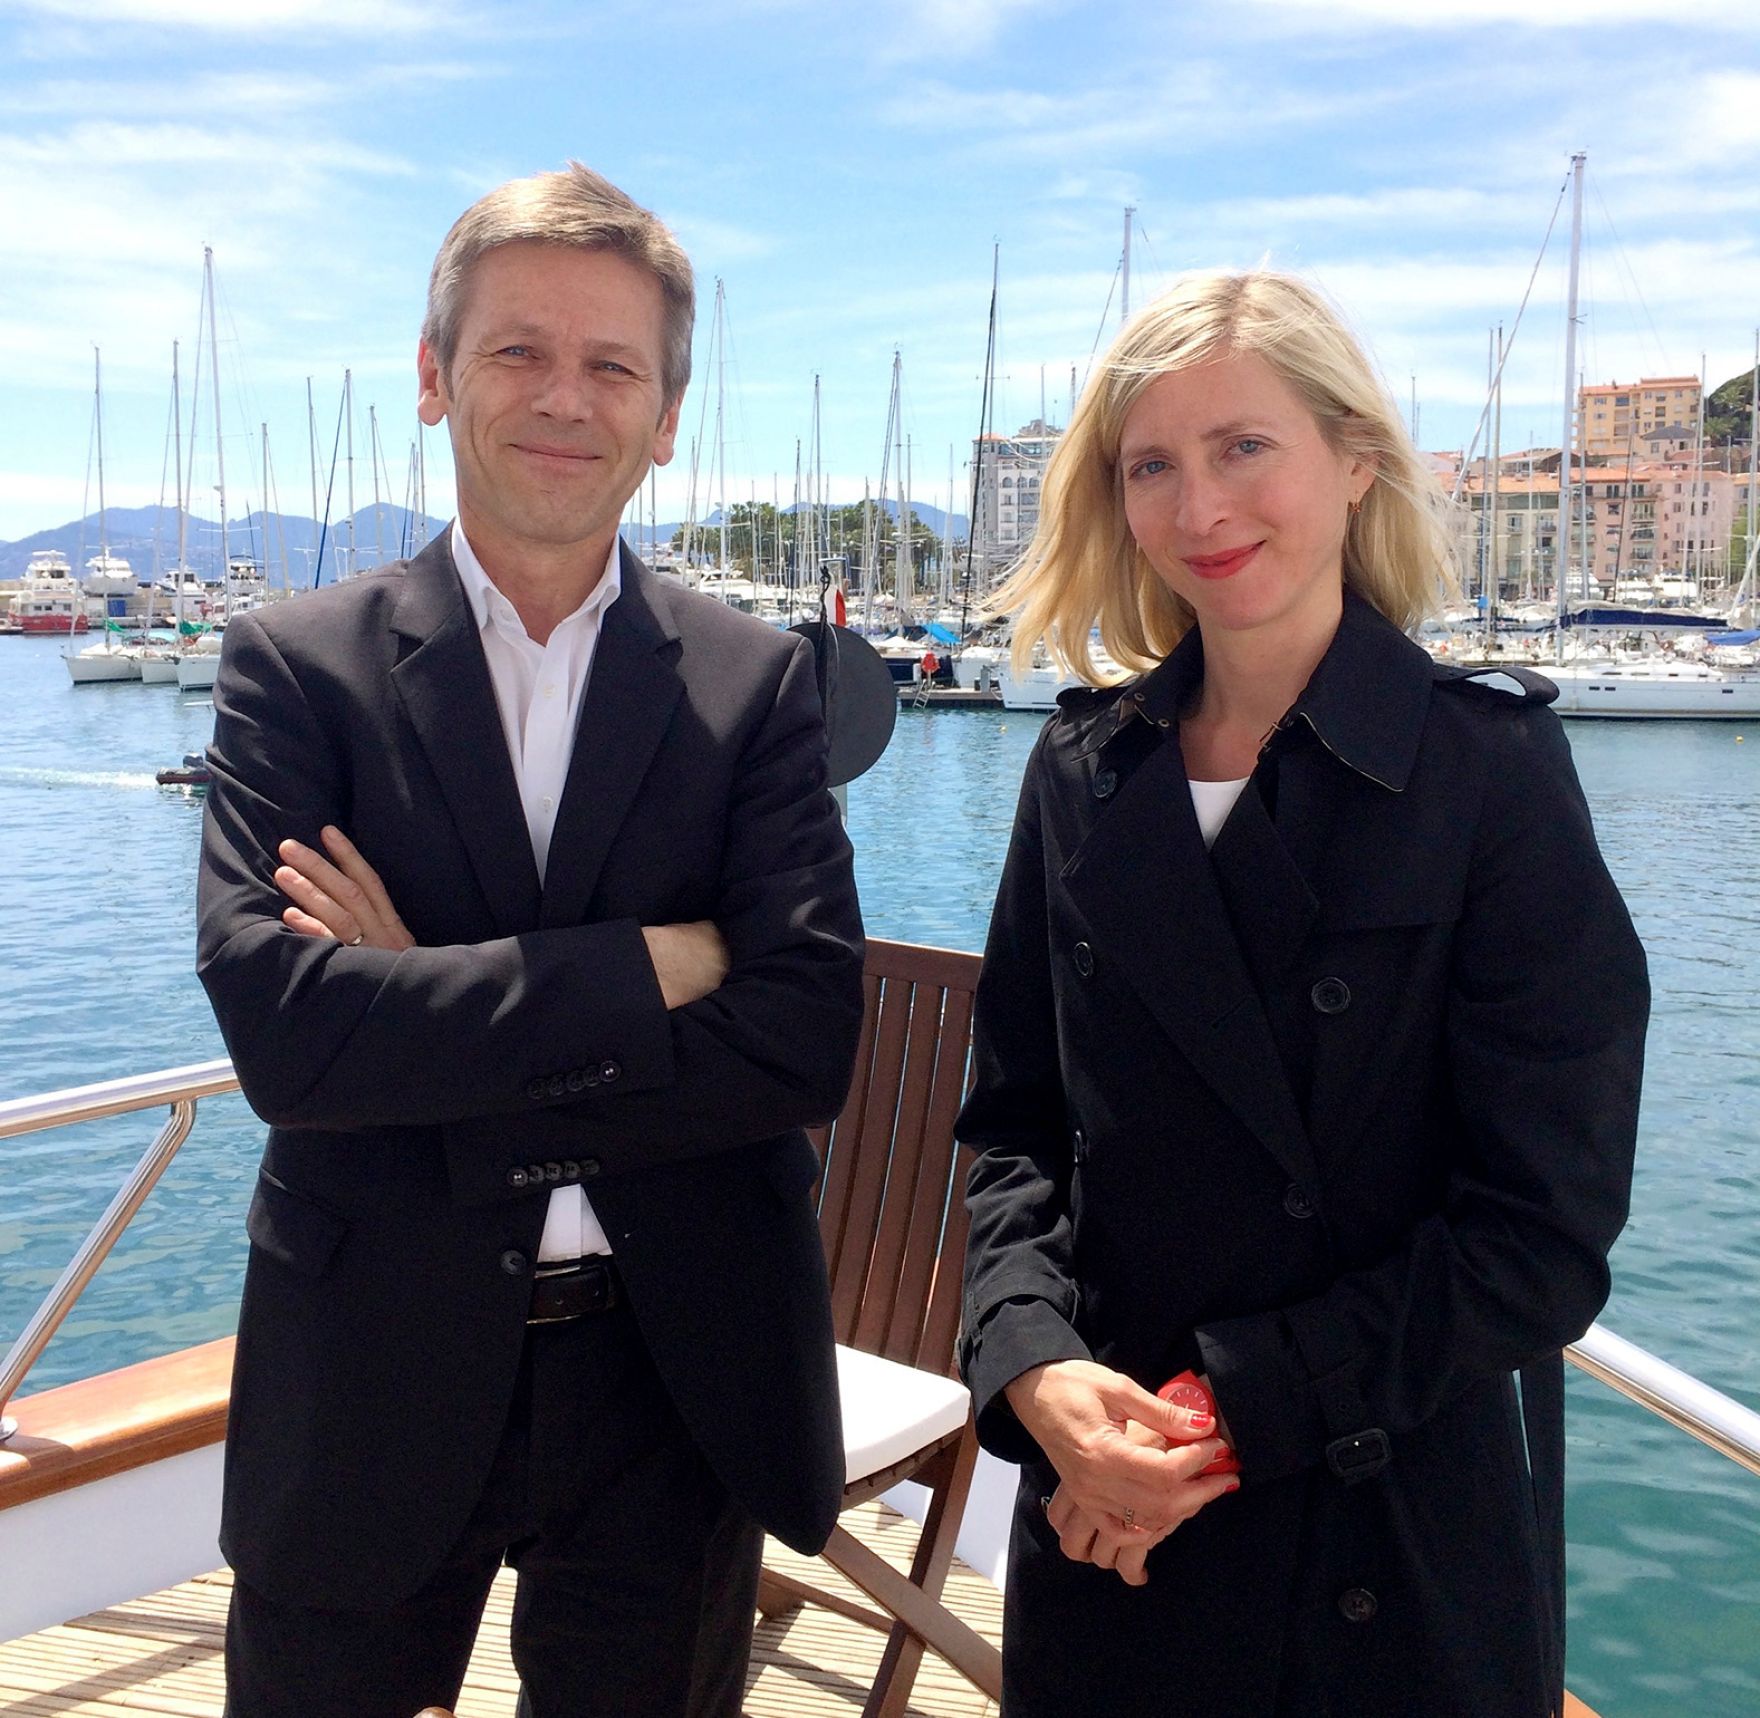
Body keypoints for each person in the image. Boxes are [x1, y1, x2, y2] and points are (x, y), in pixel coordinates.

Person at [196, 163, 865, 1718]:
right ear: (434, 378)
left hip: (673, 1373)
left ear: (668, 412)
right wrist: (649, 966)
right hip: (368, 1360)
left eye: (613, 364)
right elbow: (290, 1040)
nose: (566, 398)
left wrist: (413, 992)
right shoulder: (296, 669)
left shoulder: (758, 681)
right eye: (517, 350)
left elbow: (805, 1034)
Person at [956, 270, 1648, 1717]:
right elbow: (1011, 1128)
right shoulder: (1082, 777)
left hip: (1373, 1538)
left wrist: (1218, 1417)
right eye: (1154, 464)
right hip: (1108, 1519)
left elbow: (1542, 1234)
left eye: (1242, 447)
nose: (1200, 506)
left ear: (1353, 458)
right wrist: (1031, 1367)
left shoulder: (1488, 779)